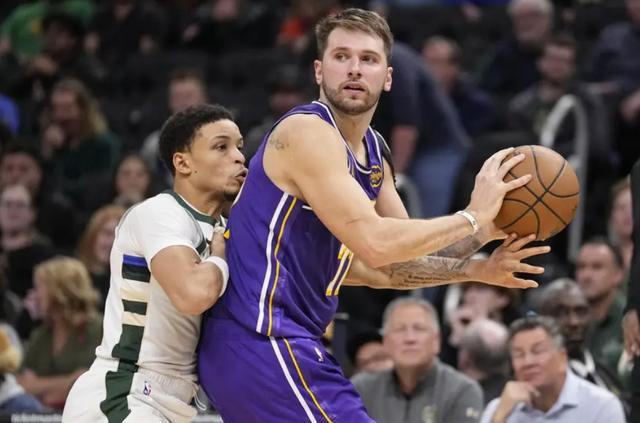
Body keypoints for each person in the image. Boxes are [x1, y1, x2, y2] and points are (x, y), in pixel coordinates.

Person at [198, 8, 550, 422]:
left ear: (387, 77)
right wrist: (472, 215)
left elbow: (395, 264)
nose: (354, 68)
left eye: (368, 59)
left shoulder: (374, 151)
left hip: (288, 344)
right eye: (341, 56)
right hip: (258, 338)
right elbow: (376, 244)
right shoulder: (306, 133)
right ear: (318, 70)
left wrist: (482, 252)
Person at [62, 104, 246, 422]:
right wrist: (218, 255)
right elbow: (193, 294)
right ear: (183, 162)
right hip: (124, 392)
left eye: (239, 147)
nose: (239, 157)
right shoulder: (159, 213)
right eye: (221, 147)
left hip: (176, 401)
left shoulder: (225, 229)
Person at [352, 297, 484, 423]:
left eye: (419, 329)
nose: (410, 338)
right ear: (385, 342)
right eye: (400, 329)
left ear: (436, 341)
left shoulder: (462, 391)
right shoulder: (361, 390)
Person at [481, 315, 625, 423]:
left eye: (538, 351)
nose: (528, 362)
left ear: (562, 357)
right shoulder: (499, 408)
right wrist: (499, 418)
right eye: (519, 354)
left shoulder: (601, 406)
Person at [18, 256, 102, 411]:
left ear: (58, 290)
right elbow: (24, 384)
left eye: (39, 287)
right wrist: (67, 381)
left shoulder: (99, 329)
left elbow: (93, 382)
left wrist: (43, 386)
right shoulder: (41, 334)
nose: (35, 295)